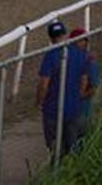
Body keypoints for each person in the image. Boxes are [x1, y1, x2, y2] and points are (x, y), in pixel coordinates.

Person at [37, 21, 88, 157]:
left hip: (53, 109)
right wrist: (79, 96)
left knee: (55, 147)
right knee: (73, 146)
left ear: (50, 37)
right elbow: (84, 79)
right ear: (65, 34)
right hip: (73, 107)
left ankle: (57, 171)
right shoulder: (78, 53)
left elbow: (44, 84)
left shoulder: (51, 55)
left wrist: (40, 101)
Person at [68, 28, 100, 136]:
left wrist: (80, 96)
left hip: (82, 108)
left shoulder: (89, 60)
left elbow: (93, 87)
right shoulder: (66, 59)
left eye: (83, 40)